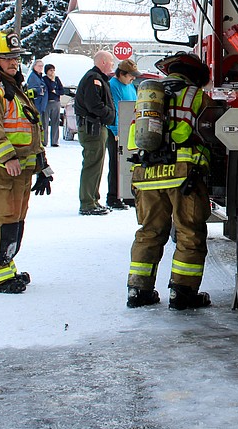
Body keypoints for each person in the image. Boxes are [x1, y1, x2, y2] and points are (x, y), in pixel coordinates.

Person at [125, 52, 215, 311]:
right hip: (184, 177)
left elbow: (134, 138)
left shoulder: (149, 97)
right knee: (189, 233)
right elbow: (211, 133)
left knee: (149, 233)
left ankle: (138, 290)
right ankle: (183, 293)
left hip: (147, 177)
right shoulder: (196, 96)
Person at [0, 30, 53, 294]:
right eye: (7, 58)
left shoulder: (13, 87)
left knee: (13, 220)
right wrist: (6, 157)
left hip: (19, 170)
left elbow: (30, 126)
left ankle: (7, 267)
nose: (14, 62)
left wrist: (42, 165)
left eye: (16, 57)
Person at [75, 50, 116, 215]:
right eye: (111, 61)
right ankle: (87, 202)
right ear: (103, 62)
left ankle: (93, 199)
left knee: (97, 165)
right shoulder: (94, 79)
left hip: (97, 127)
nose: (113, 64)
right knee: (92, 165)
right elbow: (94, 105)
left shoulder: (98, 79)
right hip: (92, 128)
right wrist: (110, 115)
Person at [106, 58, 140, 210]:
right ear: (121, 74)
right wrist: (116, 131)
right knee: (116, 164)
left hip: (130, 130)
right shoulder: (113, 86)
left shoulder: (130, 86)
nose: (133, 78)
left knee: (130, 163)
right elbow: (115, 109)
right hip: (117, 131)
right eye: (130, 75)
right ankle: (113, 196)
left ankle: (127, 194)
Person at [25, 59, 48, 146]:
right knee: (37, 124)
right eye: (39, 66)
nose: (41, 68)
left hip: (42, 104)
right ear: (34, 66)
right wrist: (40, 90)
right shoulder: (33, 77)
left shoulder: (40, 76)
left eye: (42, 66)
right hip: (36, 104)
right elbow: (32, 90)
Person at [42, 64, 64, 147]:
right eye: (51, 70)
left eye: (53, 70)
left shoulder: (57, 79)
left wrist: (56, 91)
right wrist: (53, 85)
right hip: (47, 102)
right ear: (47, 71)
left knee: (56, 122)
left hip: (56, 102)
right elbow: (49, 88)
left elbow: (62, 91)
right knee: (45, 122)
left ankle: (54, 141)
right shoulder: (44, 79)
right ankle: (44, 141)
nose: (52, 72)